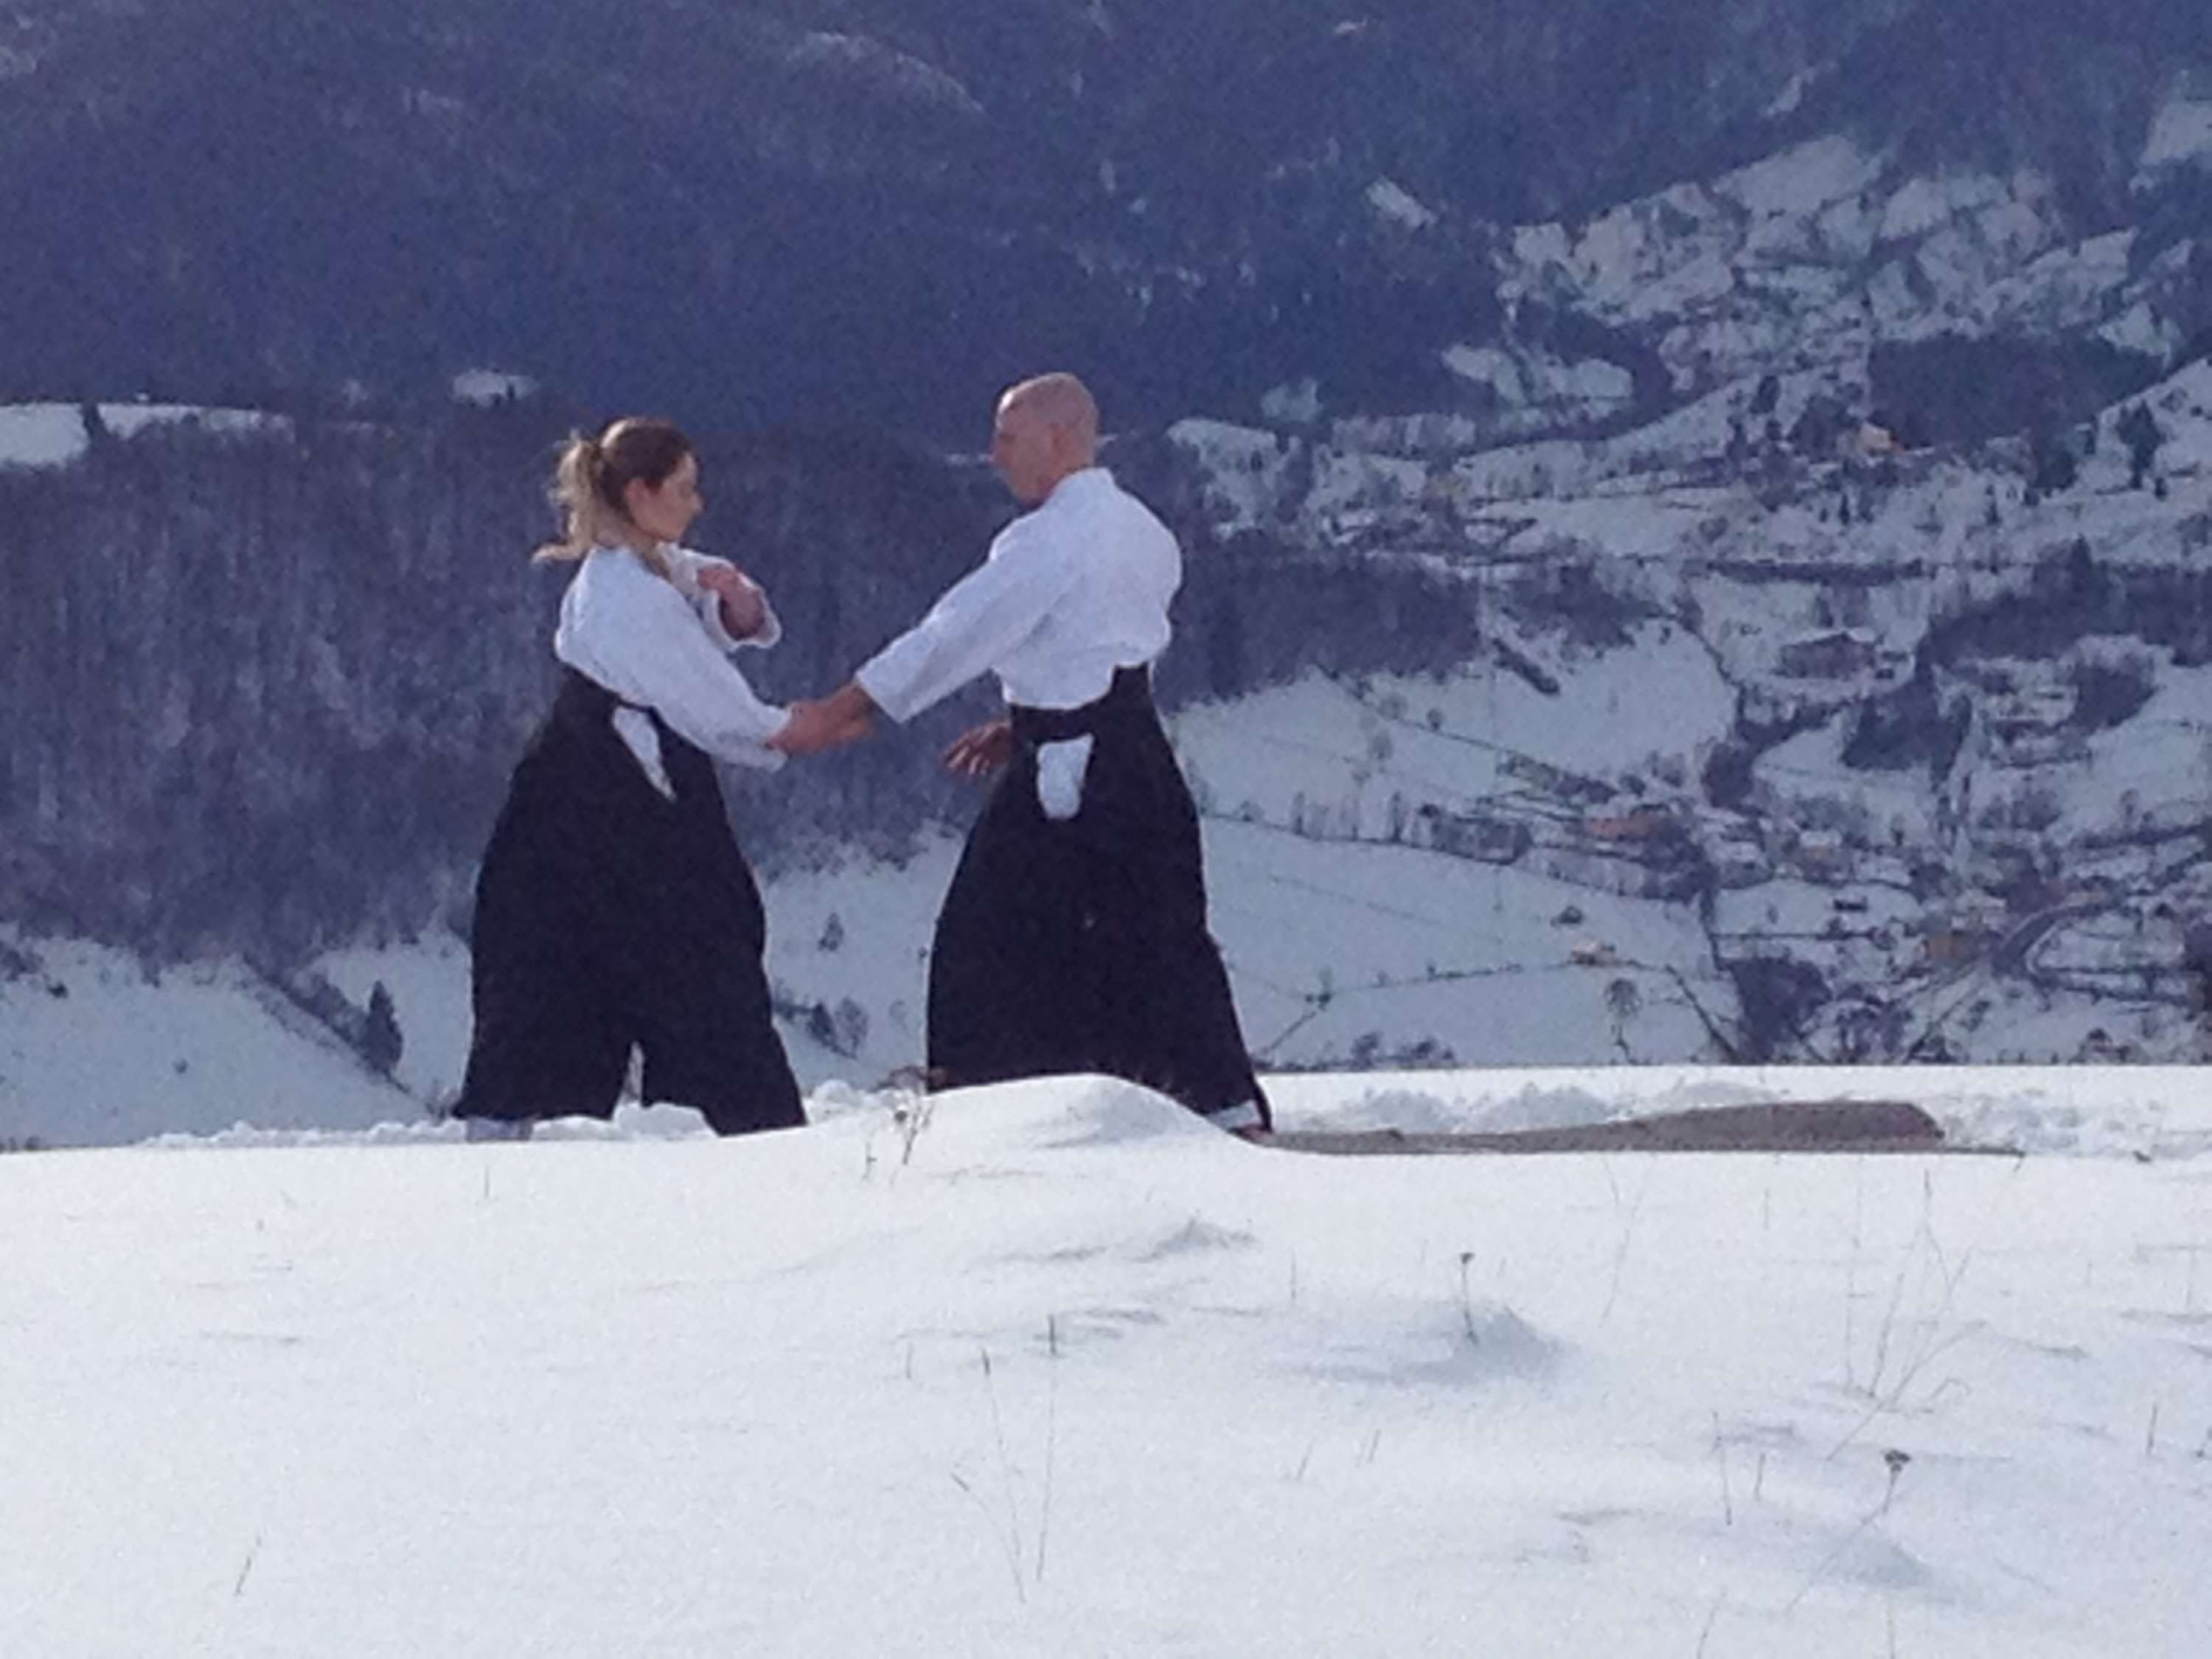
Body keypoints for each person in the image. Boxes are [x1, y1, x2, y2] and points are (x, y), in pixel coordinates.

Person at [773, 374, 1270, 1135]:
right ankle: (1204, 1099)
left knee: (991, 939)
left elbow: (952, 637)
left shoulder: (1049, 542)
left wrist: (839, 710)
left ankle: (996, 1104)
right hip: (1130, 753)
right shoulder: (1144, 531)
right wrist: (1028, 719)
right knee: (1154, 931)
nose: (995, 454)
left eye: (1008, 438)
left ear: (1058, 439)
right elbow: (1112, 643)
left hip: (1078, 768)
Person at [453, 417, 805, 1140]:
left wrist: (732, 606)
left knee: (574, 961)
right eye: (684, 489)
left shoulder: (642, 566)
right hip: (604, 793)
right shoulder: (625, 596)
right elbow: (717, 710)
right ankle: (731, 1122)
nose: (697, 504)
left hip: (592, 785)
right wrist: (805, 725)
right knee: (675, 954)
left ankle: (593, 1117)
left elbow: (694, 585)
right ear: (640, 495)